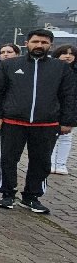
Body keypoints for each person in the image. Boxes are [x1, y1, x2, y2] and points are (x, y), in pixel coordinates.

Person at [0, 29, 76, 214]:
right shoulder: (9, 65)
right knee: (8, 159)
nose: (39, 45)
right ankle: (7, 194)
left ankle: (32, 197)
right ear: (27, 43)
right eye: (35, 42)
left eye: (44, 42)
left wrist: (68, 121)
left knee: (41, 162)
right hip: (13, 122)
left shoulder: (60, 68)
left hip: (46, 123)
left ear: (51, 45)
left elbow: (69, 96)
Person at [52, 44, 76, 175]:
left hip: (71, 109)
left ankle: (61, 164)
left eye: (71, 54)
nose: (68, 56)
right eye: (64, 53)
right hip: (52, 109)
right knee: (51, 138)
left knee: (66, 138)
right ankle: (50, 163)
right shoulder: (51, 70)